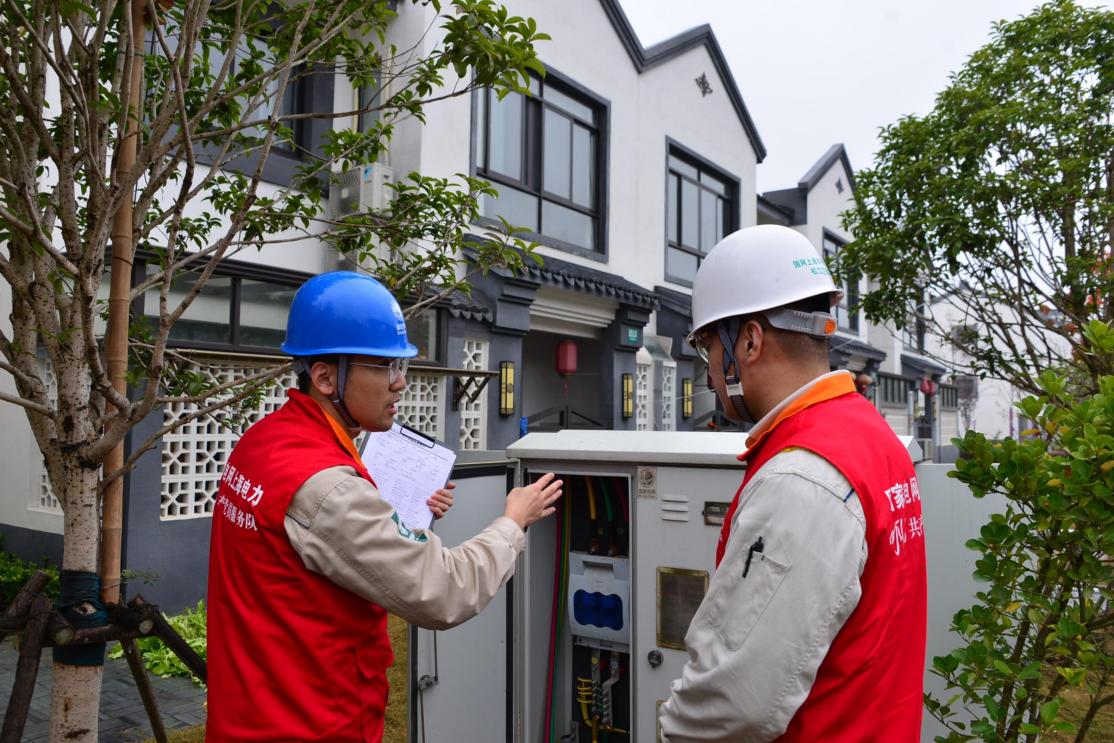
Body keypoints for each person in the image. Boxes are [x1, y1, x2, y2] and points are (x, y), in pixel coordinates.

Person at [206, 271, 562, 742]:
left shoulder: (264, 441)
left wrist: (401, 518)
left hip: (249, 714)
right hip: (313, 726)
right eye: (385, 366)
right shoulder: (329, 488)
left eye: (401, 366)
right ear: (326, 376)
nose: (401, 383)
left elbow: (319, 543)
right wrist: (513, 521)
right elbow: (444, 591)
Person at [658, 225, 927, 742]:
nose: (710, 375)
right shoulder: (873, 438)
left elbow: (731, 703)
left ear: (750, 341)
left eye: (709, 348)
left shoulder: (803, 475)